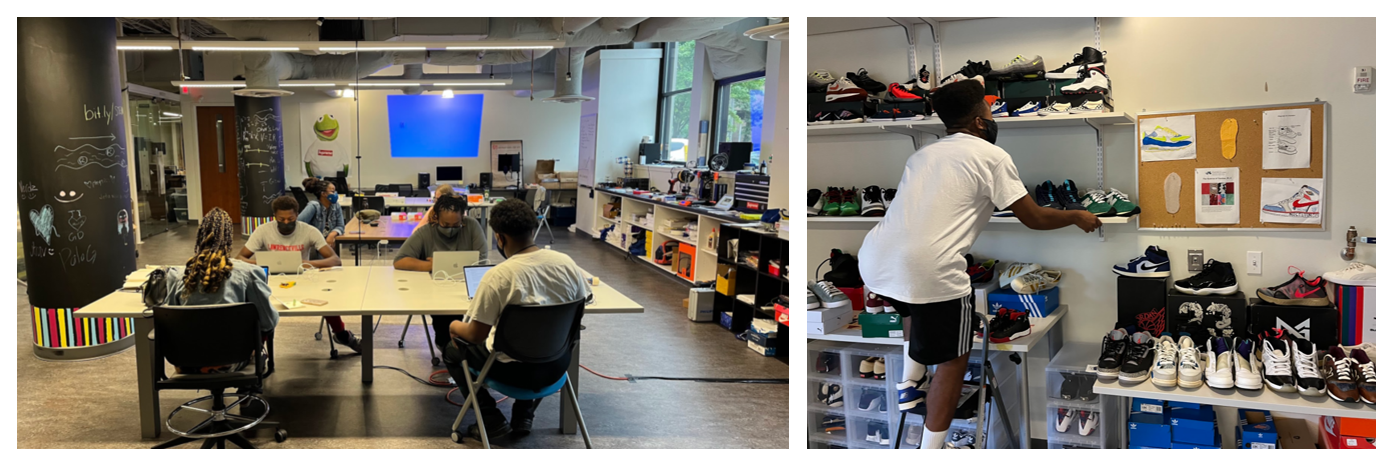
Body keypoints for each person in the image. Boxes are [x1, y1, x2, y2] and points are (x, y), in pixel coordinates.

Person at [855, 80, 1101, 449]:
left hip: (875, 259)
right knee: (954, 361)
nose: (991, 115)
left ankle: (908, 383)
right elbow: (1032, 217)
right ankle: (930, 450)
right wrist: (1076, 215)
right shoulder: (991, 156)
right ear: (980, 122)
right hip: (929, 269)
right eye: (988, 110)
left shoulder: (922, 154)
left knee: (911, 306)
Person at [443, 198, 592, 440]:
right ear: (533, 230)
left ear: (499, 238)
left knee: (452, 349)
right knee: (542, 340)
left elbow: (476, 335)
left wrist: (453, 325)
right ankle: (524, 415)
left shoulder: (499, 276)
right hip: (555, 366)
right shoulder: (567, 264)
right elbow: (581, 307)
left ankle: (491, 421)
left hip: (510, 372)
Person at [238, 195, 361, 353]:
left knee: (327, 298)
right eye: (281, 219)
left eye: (290, 218)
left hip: (303, 279)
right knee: (257, 304)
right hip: (271, 281)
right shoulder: (263, 231)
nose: (286, 222)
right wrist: (263, 264)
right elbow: (240, 259)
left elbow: (335, 260)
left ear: (297, 214)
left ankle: (342, 335)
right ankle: (258, 346)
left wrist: (305, 264)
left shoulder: (309, 231)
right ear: (275, 216)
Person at [162, 208, 278, 374]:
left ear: (200, 236)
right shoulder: (249, 272)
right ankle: (246, 387)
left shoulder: (178, 275)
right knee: (262, 329)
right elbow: (268, 322)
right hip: (233, 358)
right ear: (229, 239)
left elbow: (170, 319)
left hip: (188, 361)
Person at [393, 193, 487, 349]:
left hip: (466, 289)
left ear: (462, 218)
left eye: (456, 225)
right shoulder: (426, 232)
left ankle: (469, 350)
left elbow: (482, 260)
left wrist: (446, 264)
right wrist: (433, 266)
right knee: (446, 319)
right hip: (436, 292)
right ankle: (450, 349)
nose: (451, 229)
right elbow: (400, 260)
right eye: (445, 225)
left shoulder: (472, 227)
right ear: (435, 218)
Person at [298, 177, 345, 252]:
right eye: (332, 191)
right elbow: (298, 225)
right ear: (323, 194)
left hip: (329, 244)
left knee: (334, 260)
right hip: (314, 246)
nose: (335, 194)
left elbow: (341, 225)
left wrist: (332, 234)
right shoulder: (313, 206)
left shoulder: (336, 205)